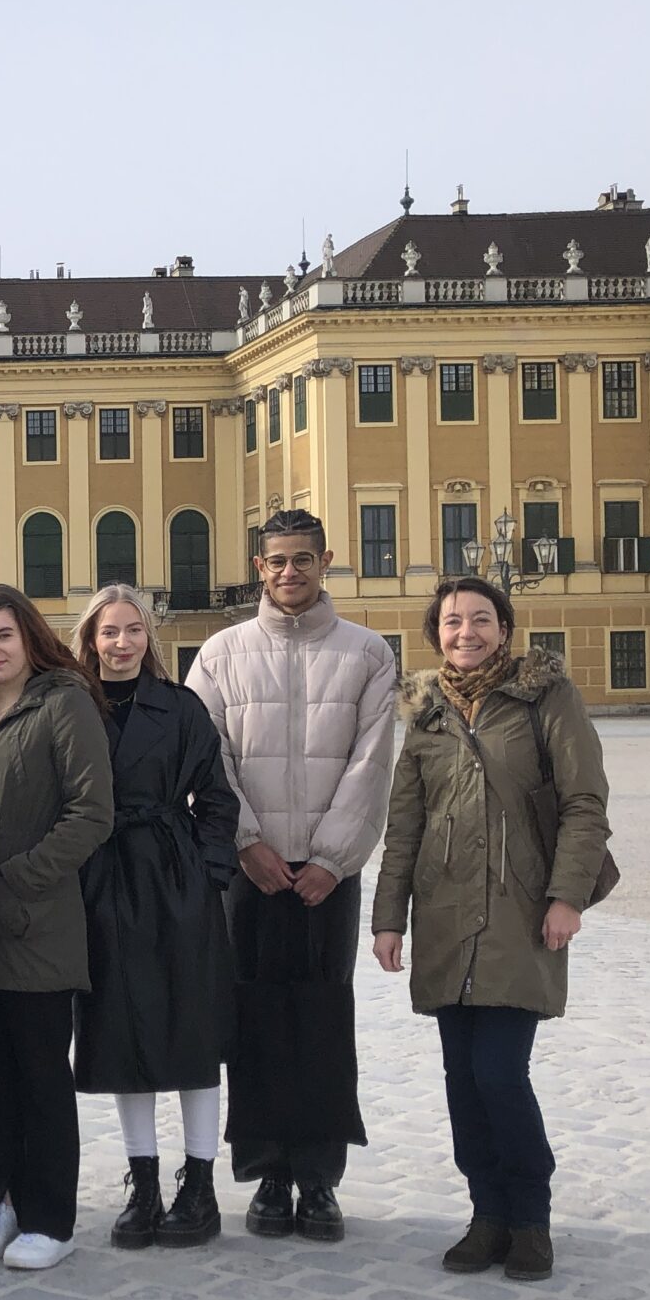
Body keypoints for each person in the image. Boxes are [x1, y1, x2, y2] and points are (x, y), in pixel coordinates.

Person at [373, 577, 610, 1282]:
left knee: (499, 1072)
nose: (466, 632)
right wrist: (388, 919)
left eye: (481, 619)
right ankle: (486, 1215)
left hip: (520, 912)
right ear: (435, 633)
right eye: (452, 622)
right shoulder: (427, 714)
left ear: (505, 629)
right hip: (446, 916)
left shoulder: (547, 699)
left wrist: (567, 897)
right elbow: (405, 823)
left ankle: (529, 1218)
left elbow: (584, 805)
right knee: (460, 1079)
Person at [187, 507, 397, 1244]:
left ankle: (320, 1179)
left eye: (302, 560)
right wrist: (247, 844)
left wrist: (335, 859)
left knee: (322, 1024)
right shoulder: (219, 654)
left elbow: (373, 766)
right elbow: (207, 760)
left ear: (326, 560)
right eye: (276, 561)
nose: (289, 573)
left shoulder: (369, 654)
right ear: (259, 565)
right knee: (253, 1024)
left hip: (327, 879)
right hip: (251, 875)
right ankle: (267, 1174)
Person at [0, 586, 112, 1271]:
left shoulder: (63, 703)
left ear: (29, 637)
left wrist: (19, 878)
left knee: (40, 1077)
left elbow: (93, 813)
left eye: (2, 636)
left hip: (35, 923)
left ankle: (51, 1218)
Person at [71, 585, 240, 1249]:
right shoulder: (70, 707)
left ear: (149, 637)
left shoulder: (183, 707)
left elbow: (218, 800)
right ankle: (142, 1183)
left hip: (174, 880)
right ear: (90, 640)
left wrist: (208, 875)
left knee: (191, 1035)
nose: (120, 642)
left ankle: (198, 1185)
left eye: (132, 630)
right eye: (108, 631)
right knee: (121, 1036)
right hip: (100, 882)